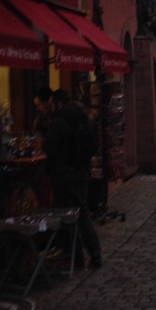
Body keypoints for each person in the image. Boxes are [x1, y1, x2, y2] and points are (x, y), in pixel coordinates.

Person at [43, 88, 102, 269]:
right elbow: (94, 145)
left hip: (63, 176)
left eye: (53, 103)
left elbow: (50, 150)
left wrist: (50, 170)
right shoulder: (86, 119)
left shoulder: (58, 122)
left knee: (68, 218)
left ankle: (76, 258)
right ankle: (95, 253)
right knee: (82, 213)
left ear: (58, 103)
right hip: (82, 173)